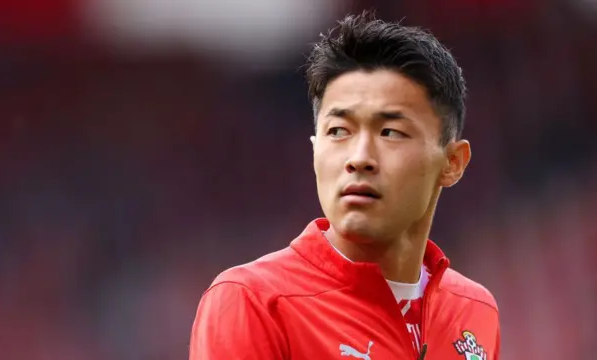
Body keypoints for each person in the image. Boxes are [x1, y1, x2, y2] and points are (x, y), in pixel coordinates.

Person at [190, 11, 500, 360]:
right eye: (338, 131)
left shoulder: (476, 310)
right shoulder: (255, 301)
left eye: (390, 133)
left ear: (452, 162)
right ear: (314, 150)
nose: (359, 157)